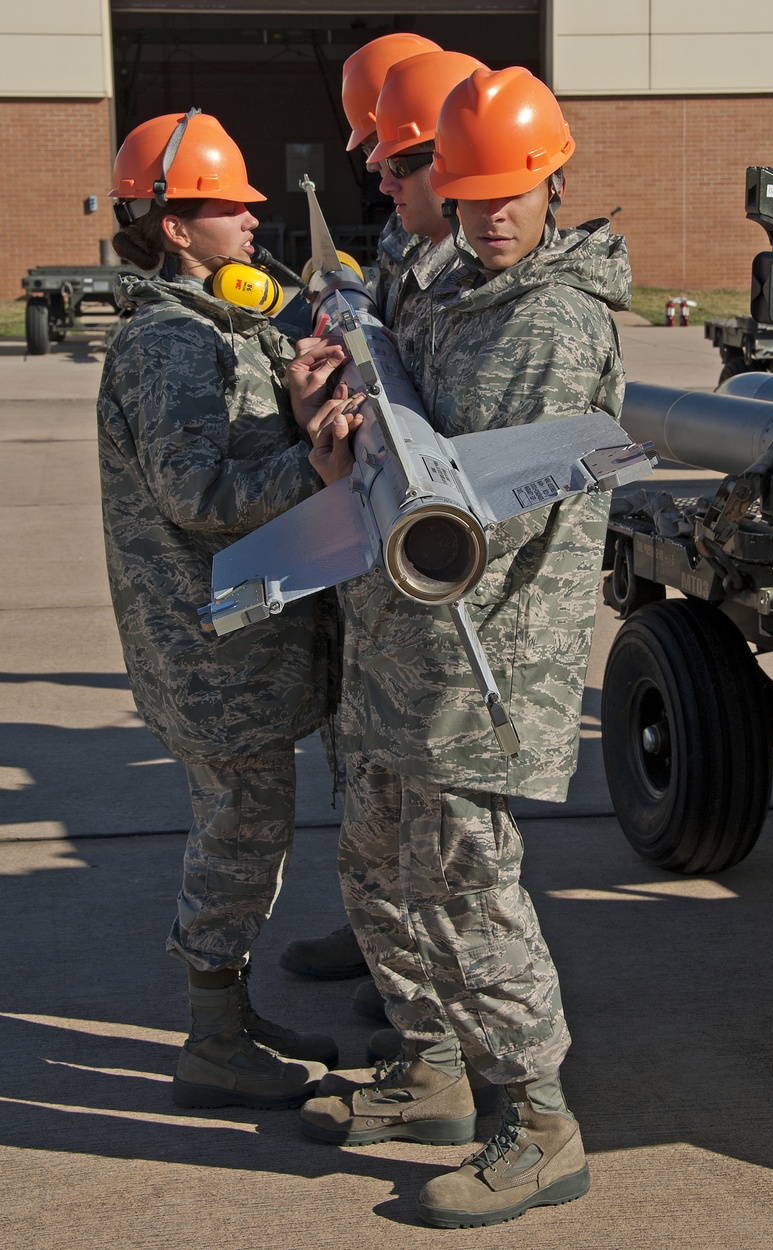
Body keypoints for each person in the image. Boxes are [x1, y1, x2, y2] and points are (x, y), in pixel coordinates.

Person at [297, 67, 630, 1228]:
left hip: (480, 649)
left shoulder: (546, 318)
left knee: (465, 887)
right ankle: (432, 1066)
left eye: (515, 191)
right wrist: (339, 434)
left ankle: (534, 1118)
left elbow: (491, 512)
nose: (492, 214)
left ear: (552, 179)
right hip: (407, 637)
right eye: (469, 188)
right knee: (380, 865)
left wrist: (364, 474)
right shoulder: (457, 290)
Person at [98, 109, 364, 1110]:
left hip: (230, 629)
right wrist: (311, 459)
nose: (253, 222)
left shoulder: (213, 327)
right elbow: (198, 496)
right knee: (241, 830)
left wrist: (292, 411)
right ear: (174, 226)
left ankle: (233, 1011)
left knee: (249, 825)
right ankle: (211, 1040)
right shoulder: (171, 346)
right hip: (211, 646)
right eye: (230, 207)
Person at [277, 38, 481, 987]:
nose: (377, 173)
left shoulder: (483, 277)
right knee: (374, 804)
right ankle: (388, 963)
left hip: (439, 597)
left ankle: (431, 1023)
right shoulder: (413, 249)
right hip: (381, 582)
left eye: (395, 158)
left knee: (448, 851)